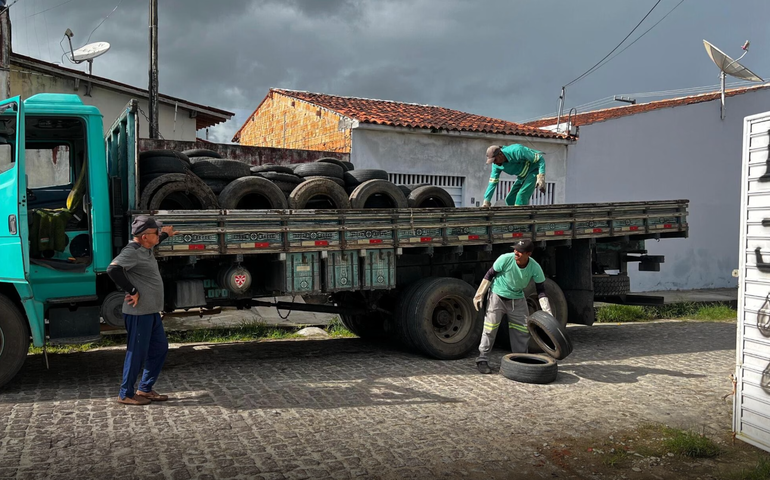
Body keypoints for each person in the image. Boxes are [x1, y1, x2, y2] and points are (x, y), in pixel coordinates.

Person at [107, 215, 178, 405]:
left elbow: (157, 239)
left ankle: (145, 389)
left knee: (160, 348)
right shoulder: (132, 251)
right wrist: (132, 290)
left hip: (151, 312)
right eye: (156, 232)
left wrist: (166, 234)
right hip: (138, 314)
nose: (158, 235)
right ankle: (125, 394)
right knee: (136, 353)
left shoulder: (146, 247)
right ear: (145, 236)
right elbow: (113, 269)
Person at [473, 239, 553, 374]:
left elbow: (541, 290)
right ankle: (482, 359)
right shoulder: (504, 259)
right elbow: (489, 275)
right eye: (515, 249)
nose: (516, 252)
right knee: (490, 328)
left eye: (520, 251)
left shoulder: (535, 267)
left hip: (517, 299)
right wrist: (479, 294)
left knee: (521, 330)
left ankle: (521, 361)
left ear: (529, 254)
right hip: (497, 297)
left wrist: (547, 312)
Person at [482, 144, 547, 207]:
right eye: (493, 162)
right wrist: (486, 201)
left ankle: (520, 216)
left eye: (495, 160)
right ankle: (512, 216)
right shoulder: (496, 165)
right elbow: (492, 183)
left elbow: (540, 159)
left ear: (500, 154)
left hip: (534, 171)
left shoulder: (517, 150)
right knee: (510, 199)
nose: (495, 163)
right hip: (522, 176)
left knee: (521, 195)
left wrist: (541, 176)